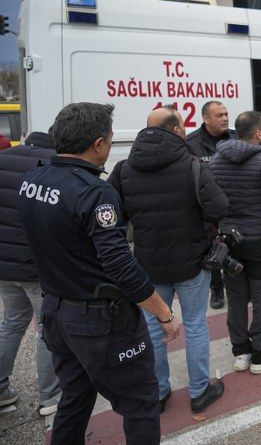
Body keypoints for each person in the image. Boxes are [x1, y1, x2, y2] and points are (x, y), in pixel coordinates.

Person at [17, 103, 180, 444]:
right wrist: (163, 313)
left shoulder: (34, 178)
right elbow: (120, 265)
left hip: (56, 312)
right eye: (107, 138)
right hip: (98, 320)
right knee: (139, 402)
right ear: (98, 145)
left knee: (75, 396)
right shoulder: (95, 192)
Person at [108, 106, 228, 414]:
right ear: (176, 131)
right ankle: (199, 391)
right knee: (195, 325)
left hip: (147, 266)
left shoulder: (124, 169)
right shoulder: (193, 165)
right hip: (191, 262)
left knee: (151, 327)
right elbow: (218, 207)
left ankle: (159, 393)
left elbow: (112, 215)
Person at [209, 111, 261, 374]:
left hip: (229, 243)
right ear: (258, 133)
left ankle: (241, 353)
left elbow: (209, 201)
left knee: (236, 299)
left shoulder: (215, 161)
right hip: (260, 242)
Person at [0, 130, 61, 416]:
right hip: (36, 265)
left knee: (12, 323)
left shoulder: (4, 158)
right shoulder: (54, 165)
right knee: (46, 330)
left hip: (4, 264)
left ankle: (1, 388)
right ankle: (51, 396)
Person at [187, 101, 235, 310]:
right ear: (205, 119)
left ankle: (237, 285)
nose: (225, 118)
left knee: (236, 247)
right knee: (212, 248)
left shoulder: (236, 137)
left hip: (233, 203)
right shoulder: (191, 142)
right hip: (207, 207)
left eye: (226, 114)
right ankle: (216, 288)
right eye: (219, 115)